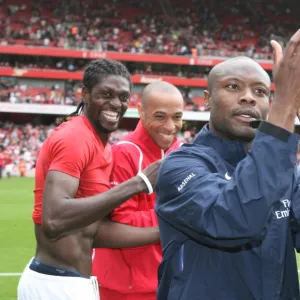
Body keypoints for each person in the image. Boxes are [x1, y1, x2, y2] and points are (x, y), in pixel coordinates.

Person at [155, 30, 300, 300]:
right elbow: (234, 219)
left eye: (260, 91)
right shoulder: (179, 167)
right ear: (207, 98)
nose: (248, 97)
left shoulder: (286, 169)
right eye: (233, 87)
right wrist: (284, 107)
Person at [17, 59, 161, 300]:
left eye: (123, 97)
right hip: (57, 284)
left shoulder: (99, 144)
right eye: (106, 94)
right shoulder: (76, 137)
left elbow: (92, 232)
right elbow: (54, 220)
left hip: (68, 282)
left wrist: (164, 232)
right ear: (85, 94)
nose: (116, 103)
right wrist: (139, 183)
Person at [92, 81, 184, 300]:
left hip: (170, 280)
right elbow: (121, 220)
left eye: (177, 117)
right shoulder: (124, 152)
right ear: (141, 112)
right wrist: (178, 217)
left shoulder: (182, 151)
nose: (170, 126)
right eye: (160, 116)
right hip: (125, 287)